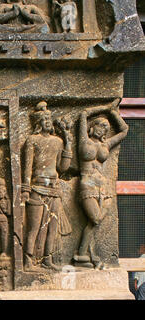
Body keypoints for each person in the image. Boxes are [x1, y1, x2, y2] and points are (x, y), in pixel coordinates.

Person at [73, 99, 129, 268]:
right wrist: (104, 107)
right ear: (92, 126)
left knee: (94, 222)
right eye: (99, 125)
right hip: (87, 184)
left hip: (103, 187)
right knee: (95, 219)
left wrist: (113, 112)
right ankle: (85, 254)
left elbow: (124, 130)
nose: (102, 129)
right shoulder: (84, 141)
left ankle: (83, 255)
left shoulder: (106, 144)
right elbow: (83, 114)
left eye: (105, 127)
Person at [22, 101, 72, 271]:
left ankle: (47, 259)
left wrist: (68, 141)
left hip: (54, 188)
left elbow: (62, 168)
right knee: (34, 226)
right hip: (37, 187)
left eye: (49, 119)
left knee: (52, 226)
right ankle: (28, 259)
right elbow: (27, 166)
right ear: (38, 123)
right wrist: (25, 189)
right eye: (44, 119)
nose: (48, 122)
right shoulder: (32, 140)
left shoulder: (58, 141)